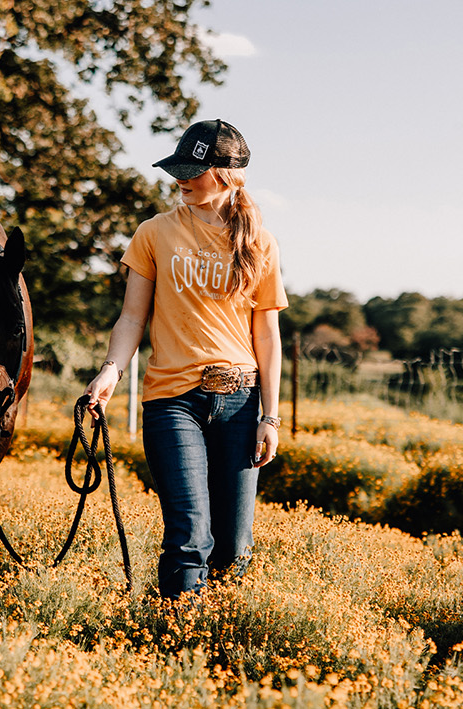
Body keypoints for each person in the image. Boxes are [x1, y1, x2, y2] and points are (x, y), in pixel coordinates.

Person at [84, 118, 288, 600]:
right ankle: (175, 641)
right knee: (190, 535)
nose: (180, 180)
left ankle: (217, 644)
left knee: (235, 548)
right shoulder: (154, 233)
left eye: (192, 171)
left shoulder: (260, 241)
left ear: (225, 174)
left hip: (240, 402)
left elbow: (268, 334)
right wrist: (110, 369)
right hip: (172, 401)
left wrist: (270, 416)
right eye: (177, 169)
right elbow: (132, 318)